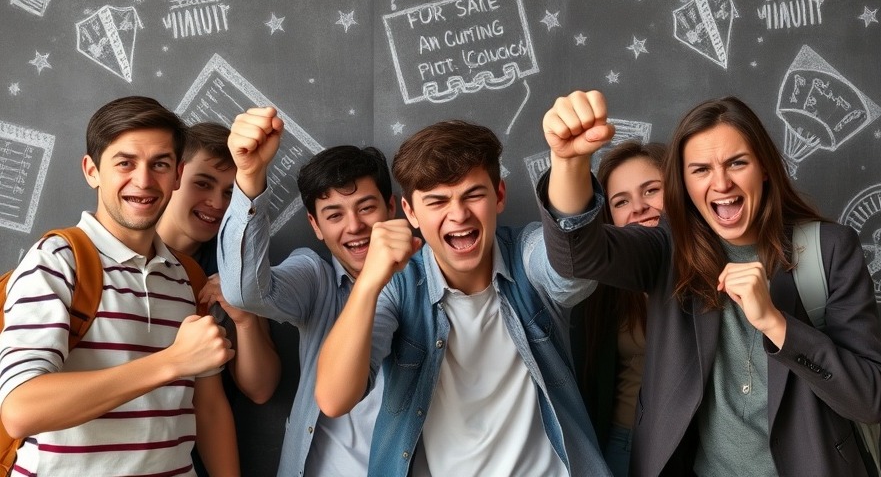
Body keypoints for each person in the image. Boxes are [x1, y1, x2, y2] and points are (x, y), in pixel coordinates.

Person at [539, 90, 881, 476]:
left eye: (737, 163)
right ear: (683, 183)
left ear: (764, 168)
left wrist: (775, 323)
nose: (721, 183)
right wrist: (568, 161)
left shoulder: (830, 249)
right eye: (700, 170)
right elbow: (576, 255)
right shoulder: (668, 250)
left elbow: (869, 399)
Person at [315, 119, 610, 476]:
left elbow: (571, 278)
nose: (458, 215)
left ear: (499, 196)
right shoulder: (399, 286)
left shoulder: (528, 251)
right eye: (437, 201)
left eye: (473, 195)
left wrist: (569, 162)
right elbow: (334, 399)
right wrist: (367, 284)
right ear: (410, 212)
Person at [0, 96, 238, 476]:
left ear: (177, 175)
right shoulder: (58, 260)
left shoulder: (189, 277)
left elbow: (208, 409)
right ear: (92, 171)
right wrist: (172, 361)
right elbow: (20, 410)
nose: (143, 180)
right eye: (125, 163)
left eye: (159, 164)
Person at [217, 106, 395, 476]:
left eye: (366, 208)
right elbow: (245, 293)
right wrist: (249, 176)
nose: (354, 227)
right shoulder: (315, 276)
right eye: (334, 215)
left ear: (391, 208)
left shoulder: (431, 283)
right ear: (315, 225)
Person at [155, 122, 281, 475]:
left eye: (230, 193)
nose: (216, 203)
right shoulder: (105, 254)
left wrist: (243, 315)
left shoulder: (234, 267)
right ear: (174, 176)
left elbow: (260, 389)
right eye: (203, 183)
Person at [570, 140, 666, 477]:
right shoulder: (603, 288)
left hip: (702, 447)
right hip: (626, 443)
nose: (638, 207)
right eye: (621, 201)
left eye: (651, 190)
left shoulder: (718, 266)